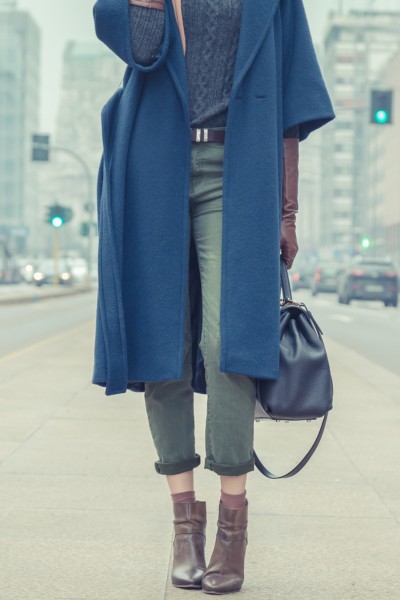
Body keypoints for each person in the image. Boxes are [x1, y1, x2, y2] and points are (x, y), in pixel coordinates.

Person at [92, 0, 335, 594]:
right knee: (161, 343)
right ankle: (184, 528)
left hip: (241, 170)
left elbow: (292, 107)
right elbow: (142, 50)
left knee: (230, 339)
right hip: (153, 163)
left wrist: (287, 210)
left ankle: (232, 528)